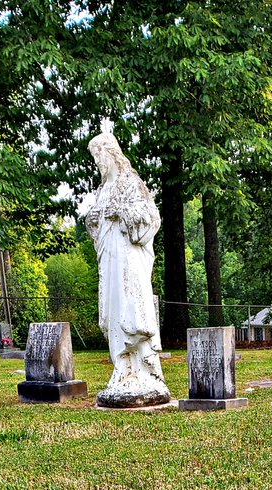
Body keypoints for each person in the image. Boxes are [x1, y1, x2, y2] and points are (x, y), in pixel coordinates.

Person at [86, 131, 170, 406]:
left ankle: (144, 373)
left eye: (99, 156)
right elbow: (95, 226)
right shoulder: (102, 190)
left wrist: (121, 214)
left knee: (132, 308)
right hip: (109, 261)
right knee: (112, 312)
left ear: (111, 154)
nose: (97, 162)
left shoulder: (130, 183)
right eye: (94, 157)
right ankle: (122, 371)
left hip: (128, 261)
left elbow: (150, 219)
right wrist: (94, 220)